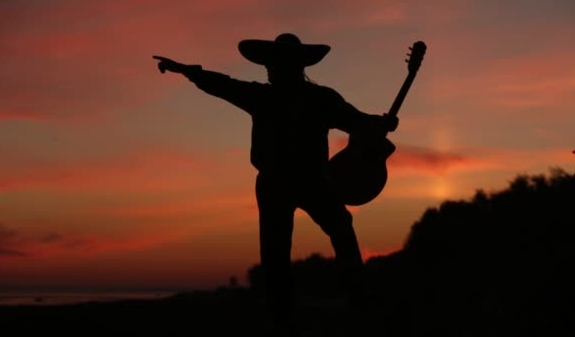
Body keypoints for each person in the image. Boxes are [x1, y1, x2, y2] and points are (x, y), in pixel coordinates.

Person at [153, 33, 398, 325]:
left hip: (302, 181)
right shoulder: (305, 98)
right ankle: (307, 307)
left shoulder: (300, 98)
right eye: (270, 64)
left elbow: (357, 120)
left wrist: (379, 122)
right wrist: (188, 71)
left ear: (294, 66)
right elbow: (223, 85)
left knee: (309, 238)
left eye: (275, 64)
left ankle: (345, 299)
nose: (271, 69)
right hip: (288, 181)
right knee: (290, 244)